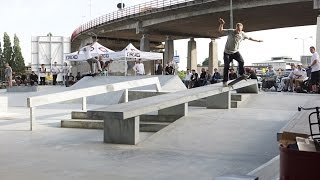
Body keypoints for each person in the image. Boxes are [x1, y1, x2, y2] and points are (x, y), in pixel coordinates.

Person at [218, 18, 263, 87]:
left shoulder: (242, 34)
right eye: (237, 29)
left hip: (235, 52)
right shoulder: (231, 31)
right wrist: (221, 24)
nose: (238, 31)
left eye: (240, 30)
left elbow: (250, 38)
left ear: (242, 29)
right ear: (236, 28)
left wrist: (258, 40)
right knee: (226, 66)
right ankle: (225, 81)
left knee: (241, 61)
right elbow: (221, 31)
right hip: (227, 52)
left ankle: (241, 73)